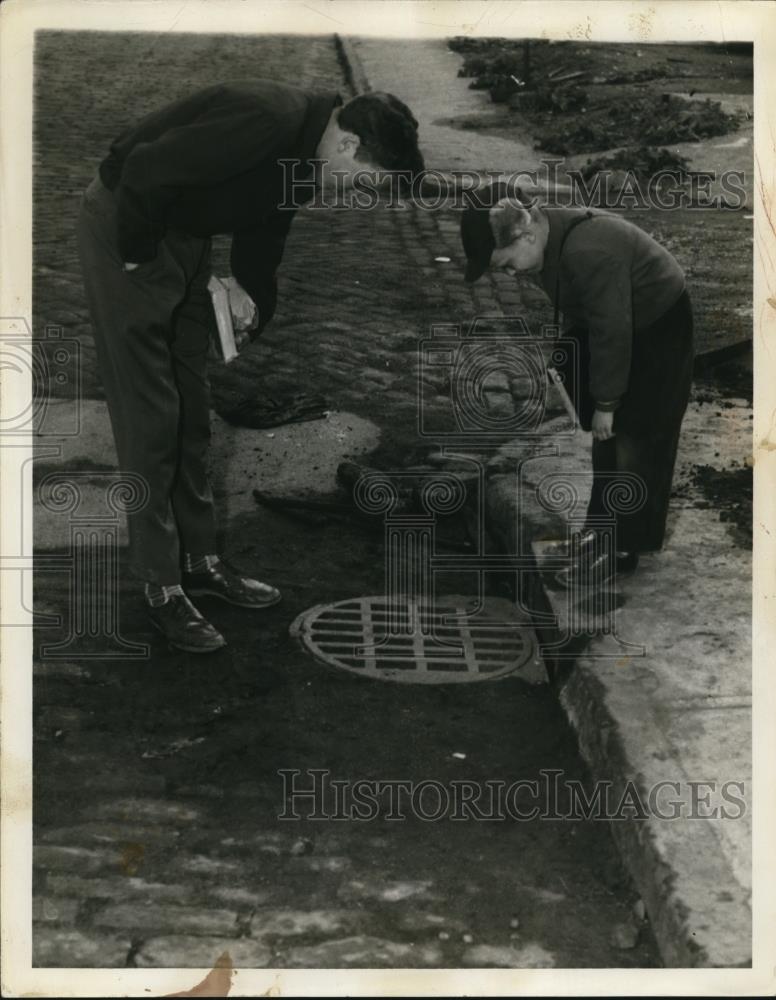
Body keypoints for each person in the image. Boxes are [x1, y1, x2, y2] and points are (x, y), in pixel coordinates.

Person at [77, 80, 424, 652]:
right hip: (130, 229)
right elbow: (143, 169)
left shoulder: (310, 152)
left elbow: (265, 232)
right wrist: (138, 264)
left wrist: (251, 300)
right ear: (348, 146)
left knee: (191, 409)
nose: (354, 194)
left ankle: (201, 560)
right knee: (151, 417)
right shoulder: (267, 119)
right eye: (365, 183)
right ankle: (161, 586)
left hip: (183, 237)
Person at [460, 182, 694, 587]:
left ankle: (621, 548)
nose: (511, 274)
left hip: (657, 320)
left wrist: (606, 401)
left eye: (507, 264)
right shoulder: (543, 236)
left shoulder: (589, 252)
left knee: (637, 434)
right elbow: (590, 316)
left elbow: (612, 331)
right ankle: (598, 532)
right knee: (606, 439)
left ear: (527, 234)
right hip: (614, 318)